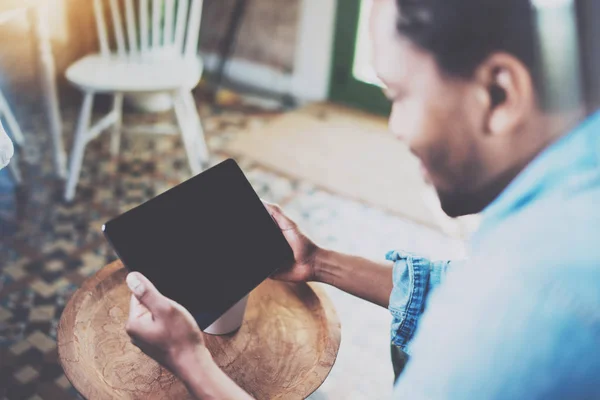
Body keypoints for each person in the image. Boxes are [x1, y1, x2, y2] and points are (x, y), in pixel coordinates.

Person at [124, 0, 600, 398]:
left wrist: (192, 360)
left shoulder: (519, 310)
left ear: (499, 94)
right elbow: (459, 284)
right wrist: (319, 262)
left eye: (398, 93)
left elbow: (495, 304)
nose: (395, 127)